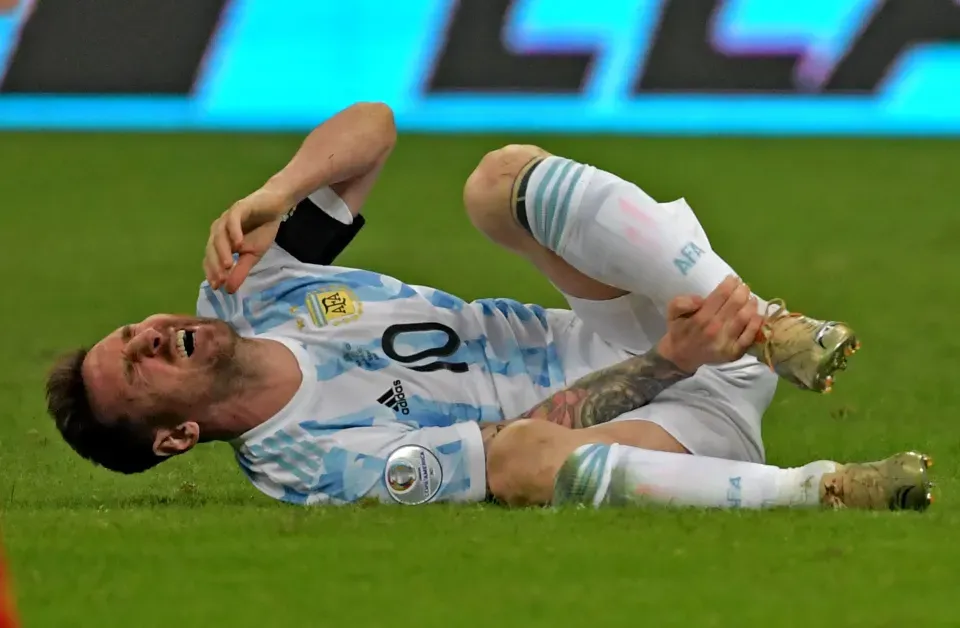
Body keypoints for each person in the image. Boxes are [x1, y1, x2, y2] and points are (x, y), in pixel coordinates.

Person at [45, 102, 933, 511]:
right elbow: (514, 448)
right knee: (521, 465)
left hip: (638, 320)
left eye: (131, 333)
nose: (150, 336)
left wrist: (279, 191)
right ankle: (824, 489)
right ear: (176, 437)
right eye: (137, 367)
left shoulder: (252, 285)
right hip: (661, 422)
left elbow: (373, 127)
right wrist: (673, 362)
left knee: (495, 183)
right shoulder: (309, 466)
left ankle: (772, 330)